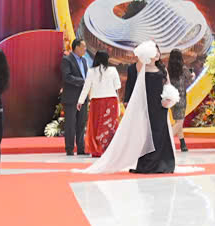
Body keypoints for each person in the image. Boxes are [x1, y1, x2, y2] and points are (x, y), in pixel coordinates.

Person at [130, 42, 175, 175]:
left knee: (161, 132)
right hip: (148, 106)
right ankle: (148, 163)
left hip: (161, 106)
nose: (157, 54)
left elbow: (168, 85)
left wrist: (169, 98)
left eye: (158, 51)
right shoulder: (142, 67)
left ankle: (164, 163)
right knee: (149, 133)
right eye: (154, 51)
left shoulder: (162, 68)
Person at [80, 48, 121, 156]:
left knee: (96, 125)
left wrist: (80, 101)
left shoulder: (91, 71)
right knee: (110, 126)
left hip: (96, 102)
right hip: (111, 101)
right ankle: (109, 150)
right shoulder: (113, 70)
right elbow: (117, 87)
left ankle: (96, 149)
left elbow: (86, 88)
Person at [60, 38, 89, 156]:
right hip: (71, 97)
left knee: (81, 124)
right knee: (70, 124)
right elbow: (67, 77)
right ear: (76, 47)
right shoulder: (67, 60)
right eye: (83, 47)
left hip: (83, 97)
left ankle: (81, 148)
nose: (85, 49)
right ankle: (70, 148)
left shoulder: (84, 61)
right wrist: (83, 81)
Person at [164, 47, 187, 155]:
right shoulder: (183, 69)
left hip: (172, 98)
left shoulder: (168, 70)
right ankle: (166, 142)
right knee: (179, 123)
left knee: (178, 122)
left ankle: (183, 144)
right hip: (181, 98)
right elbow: (190, 77)